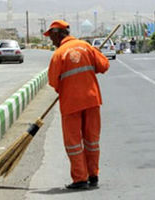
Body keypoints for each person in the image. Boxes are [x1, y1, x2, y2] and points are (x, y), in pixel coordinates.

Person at [43, 20, 110, 189]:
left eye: (51, 36)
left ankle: (80, 178)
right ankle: (93, 175)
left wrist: (64, 87)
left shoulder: (59, 54)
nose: (51, 40)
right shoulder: (86, 47)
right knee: (91, 140)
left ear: (58, 34)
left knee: (73, 143)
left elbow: (53, 82)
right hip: (92, 100)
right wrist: (95, 56)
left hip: (71, 104)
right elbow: (104, 66)